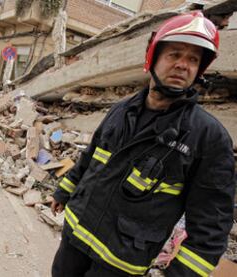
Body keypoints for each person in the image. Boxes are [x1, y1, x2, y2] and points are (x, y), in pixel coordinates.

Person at [51, 11, 235, 277]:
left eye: (193, 59)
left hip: (118, 265)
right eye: (175, 54)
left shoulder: (208, 138)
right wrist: (63, 192)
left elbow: (211, 227)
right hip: (74, 240)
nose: (183, 65)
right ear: (153, 55)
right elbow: (91, 158)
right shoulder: (121, 110)